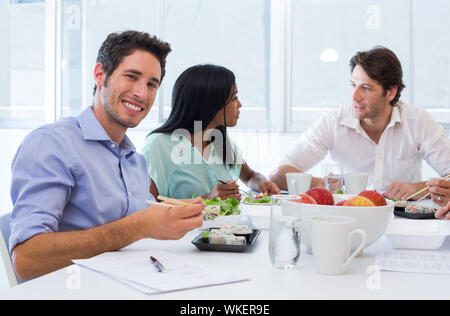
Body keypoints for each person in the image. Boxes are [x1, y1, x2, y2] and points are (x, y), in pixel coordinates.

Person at [9, 31, 205, 280]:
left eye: (151, 84)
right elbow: (27, 259)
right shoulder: (52, 143)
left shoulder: (135, 161)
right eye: (131, 77)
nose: (141, 94)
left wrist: (172, 217)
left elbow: (141, 231)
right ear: (100, 74)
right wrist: (138, 227)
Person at [270, 46, 450, 202]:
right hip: (348, 217)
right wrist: (325, 184)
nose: (355, 96)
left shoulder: (417, 121)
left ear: (391, 92)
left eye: (366, 88)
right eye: (353, 84)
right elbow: (278, 175)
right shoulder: (334, 121)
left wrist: (419, 189)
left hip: (402, 220)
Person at [142, 64, 280, 200]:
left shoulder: (220, 140)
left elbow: (250, 176)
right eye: (234, 98)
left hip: (228, 223)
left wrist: (262, 182)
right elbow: (149, 206)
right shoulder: (159, 145)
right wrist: (207, 199)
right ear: (210, 103)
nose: (240, 105)